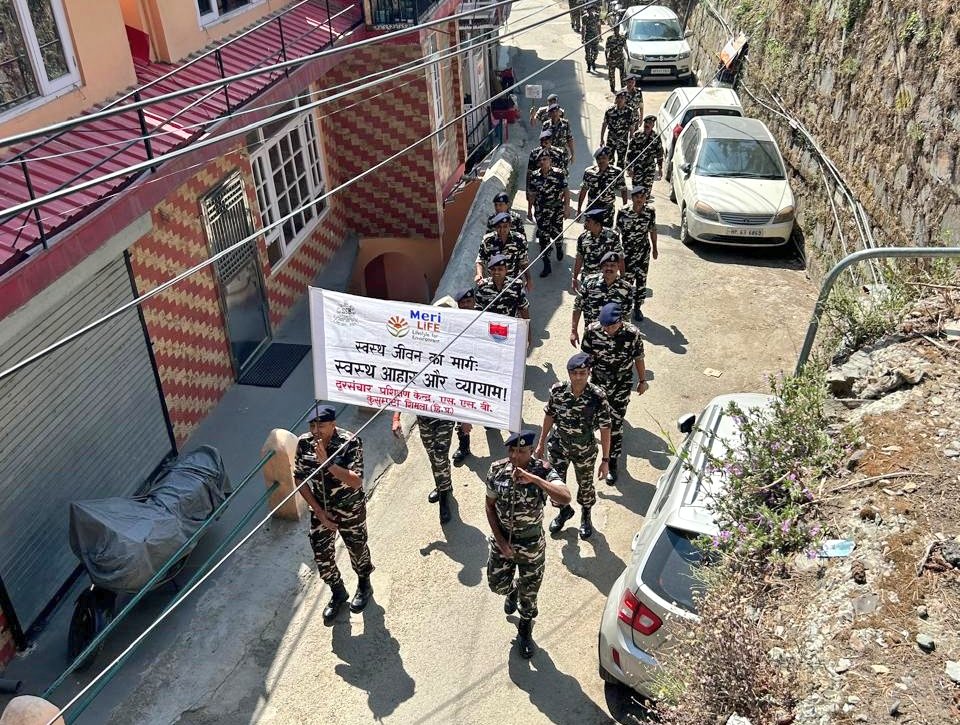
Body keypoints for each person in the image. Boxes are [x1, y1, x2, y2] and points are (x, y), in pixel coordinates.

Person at [485, 430, 571, 658]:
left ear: (531, 451)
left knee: (530, 594)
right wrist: (501, 542)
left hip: (531, 545)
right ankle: (511, 590)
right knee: (496, 585)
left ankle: (525, 627)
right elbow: (489, 506)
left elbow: (565, 496)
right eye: (512, 450)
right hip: (503, 542)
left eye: (521, 451)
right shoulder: (496, 470)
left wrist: (534, 479)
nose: (515, 456)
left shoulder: (543, 470)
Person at [294, 404, 374, 622]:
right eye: (312, 425)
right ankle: (338, 591)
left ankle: (364, 583)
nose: (316, 430)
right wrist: (318, 511)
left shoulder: (350, 443)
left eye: (321, 425)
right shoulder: (304, 443)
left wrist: (327, 463)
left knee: (357, 547)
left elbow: (356, 481)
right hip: (322, 509)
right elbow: (299, 478)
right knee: (321, 553)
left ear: (333, 424)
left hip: (350, 508)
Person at [535, 353, 611, 539]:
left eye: (583, 373)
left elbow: (605, 428)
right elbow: (549, 415)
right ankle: (564, 511)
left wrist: (606, 460)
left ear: (589, 372)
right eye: (575, 373)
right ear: (569, 373)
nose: (579, 377)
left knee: (585, 486)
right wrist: (541, 443)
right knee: (555, 484)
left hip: (584, 450)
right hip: (558, 447)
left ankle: (586, 516)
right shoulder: (558, 391)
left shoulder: (597, 396)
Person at [581, 303, 648, 485]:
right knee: (594, 418)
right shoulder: (592, 331)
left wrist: (642, 381)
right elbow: (585, 359)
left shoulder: (632, 333)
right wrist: (580, 384)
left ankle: (612, 462)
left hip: (621, 385)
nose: (608, 330)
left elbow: (638, 358)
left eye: (612, 326)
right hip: (598, 383)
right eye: (605, 326)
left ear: (620, 321)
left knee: (614, 425)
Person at [392, 410, 455, 524]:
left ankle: (443, 498)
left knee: (439, 459)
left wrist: (465, 421)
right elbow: (404, 394)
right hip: (424, 421)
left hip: (445, 419)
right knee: (433, 457)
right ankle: (445, 484)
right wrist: (396, 419)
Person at [571, 251, 635, 343]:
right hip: (592, 336)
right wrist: (574, 330)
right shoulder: (589, 282)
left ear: (618, 267)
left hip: (614, 339)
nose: (609, 268)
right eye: (606, 265)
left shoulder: (626, 288)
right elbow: (577, 306)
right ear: (601, 267)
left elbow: (626, 316)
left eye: (612, 265)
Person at [615, 186, 658, 321]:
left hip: (643, 252)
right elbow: (617, 231)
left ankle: (637, 307)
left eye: (642, 197)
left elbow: (652, 230)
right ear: (632, 198)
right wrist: (615, 250)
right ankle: (623, 307)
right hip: (627, 253)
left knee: (641, 280)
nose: (639, 200)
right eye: (637, 197)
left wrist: (655, 248)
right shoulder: (623, 212)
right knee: (626, 281)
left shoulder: (650, 212)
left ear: (646, 199)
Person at [526, 153, 570, 278]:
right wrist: (529, 210)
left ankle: (559, 247)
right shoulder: (534, 176)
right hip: (541, 211)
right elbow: (532, 195)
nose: (543, 162)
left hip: (556, 210)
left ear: (550, 160)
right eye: (540, 160)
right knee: (543, 238)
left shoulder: (559, 173)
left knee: (557, 233)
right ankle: (546, 264)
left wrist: (567, 208)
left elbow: (566, 192)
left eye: (545, 159)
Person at [475, 212, 532, 291]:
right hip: (492, 283)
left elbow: (524, 262)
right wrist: (479, 274)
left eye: (505, 226)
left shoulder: (519, 240)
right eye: (499, 227)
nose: (502, 230)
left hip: (513, 283)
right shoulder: (488, 240)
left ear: (510, 226)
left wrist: (528, 280)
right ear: (495, 227)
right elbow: (480, 260)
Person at [572, 209, 624, 292]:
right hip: (588, 280)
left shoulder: (612, 236)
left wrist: (622, 277)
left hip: (607, 279)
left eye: (588, 221)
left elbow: (620, 257)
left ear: (597, 224)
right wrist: (574, 278)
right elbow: (579, 258)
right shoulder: (582, 238)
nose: (585, 223)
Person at [451, 287, 475, 464]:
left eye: (469, 301)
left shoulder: (486, 318)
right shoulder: (454, 324)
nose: (466, 305)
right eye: (463, 303)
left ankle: (490, 423)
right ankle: (464, 446)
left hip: (482, 372)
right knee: (461, 411)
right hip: (462, 372)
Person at [577, 146, 628, 229]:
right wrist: (579, 209)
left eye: (604, 158)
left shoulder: (616, 172)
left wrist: (625, 208)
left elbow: (623, 190)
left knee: (606, 234)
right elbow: (584, 190)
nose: (601, 161)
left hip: (607, 209)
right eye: (598, 159)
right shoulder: (589, 172)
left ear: (609, 159)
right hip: (592, 207)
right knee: (589, 234)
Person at [474, 254, 531, 323]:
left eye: (500, 269)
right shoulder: (483, 287)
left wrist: (527, 331)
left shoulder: (516, 285)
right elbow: (477, 311)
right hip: (490, 327)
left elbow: (523, 309)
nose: (496, 272)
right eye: (493, 269)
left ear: (506, 270)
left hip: (510, 326)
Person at [601, 90, 638, 169]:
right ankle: (609, 178)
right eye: (618, 98)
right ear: (616, 99)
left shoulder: (629, 111)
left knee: (621, 161)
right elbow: (604, 124)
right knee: (609, 160)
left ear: (625, 100)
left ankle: (620, 179)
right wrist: (601, 138)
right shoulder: (609, 111)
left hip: (623, 139)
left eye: (622, 98)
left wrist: (631, 138)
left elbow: (632, 126)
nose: (620, 100)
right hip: (611, 138)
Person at [626, 115, 664, 189]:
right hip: (637, 168)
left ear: (653, 125)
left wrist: (660, 168)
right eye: (646, 123)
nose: (647, 125)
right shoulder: (637, 135)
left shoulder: (656, 137)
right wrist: (629, 168)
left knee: (646, 192)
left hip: (649, 168)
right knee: (636, 192)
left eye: (650, 123)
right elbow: (630, 152)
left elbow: (660, 153)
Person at [541, 103, 575, 172]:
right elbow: (542, 141)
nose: (555, 113)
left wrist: (573, 154)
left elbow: (569, 139)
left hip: (562, 155)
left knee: (563, 174)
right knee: (550, 174)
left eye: (556, 111)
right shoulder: (546, 125)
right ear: (550, 114)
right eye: (552, 112)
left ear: (559, 112)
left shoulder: (565, 123)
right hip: (550, 155)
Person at [604, 23, 626, 93]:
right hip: (612, 59)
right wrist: (606, 60)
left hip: (620, 59)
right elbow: (606, 50)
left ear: (619, 29)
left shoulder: (622, 38)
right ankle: (612, 88)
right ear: (613, 30)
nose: (616, 30)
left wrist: (626, 57)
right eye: (615, 29)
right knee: (611, 75)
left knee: (623, 75)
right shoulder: (610, 39)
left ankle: (623, 87)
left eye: (617, 29)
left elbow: (625, 48)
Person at [581, 5, 602, 73]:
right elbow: (583, 28)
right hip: (588, 37)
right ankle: (589, 66)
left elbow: (599, 26)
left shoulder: (597, 16)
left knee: (595, 52)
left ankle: (593, 61)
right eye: (588, 10)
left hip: (595, 37)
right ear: (587, 11)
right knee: (588, 53)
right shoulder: (584, 17)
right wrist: (583, 38)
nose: (590, 11)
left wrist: (600, 36)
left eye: (591, 10)